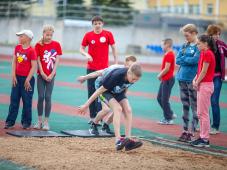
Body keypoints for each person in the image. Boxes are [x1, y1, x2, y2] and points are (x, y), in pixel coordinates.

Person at [78, 63, 143, 151]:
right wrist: (86, 105)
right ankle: (118, 140)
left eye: (137, 80)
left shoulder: (132, 77)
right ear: (129, 72)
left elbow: (125, 87)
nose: (134, 81)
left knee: (128, 110)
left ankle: (128, 141)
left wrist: (123, 99)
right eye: (133, 79)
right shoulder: (116, 76)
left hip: (117, 90)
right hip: (104, 90)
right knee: (118, 109)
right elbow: (100, 90)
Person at [78, 56, 137, 135]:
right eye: (129, 66)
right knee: (106, 109)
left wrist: (122, 100)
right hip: (102, 87)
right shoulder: (116, 69)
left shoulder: (133, 75)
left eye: (132, 67)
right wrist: (85, 77)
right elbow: (98, 73)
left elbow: (125, 87)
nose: (131, 69)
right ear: (125, 64)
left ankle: (106, 125)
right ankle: (94, 123)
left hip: (115, 90)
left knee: (120, 108)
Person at [80, 16, 117, 122]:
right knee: (91, 92)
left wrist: (115, 62)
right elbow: (81, 49)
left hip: (104, 70)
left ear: (102, 24)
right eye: (95, 23)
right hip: (91, 68)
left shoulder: (108, 34)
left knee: (101, 93)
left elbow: (114, 47)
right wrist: (86, 54)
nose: (97, 25)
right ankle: (92, 117)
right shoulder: (88, 35)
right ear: (93, 25)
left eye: (99, 23)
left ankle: (99, 116)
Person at [5, 30, 37, 129]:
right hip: (17, 79)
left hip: (28, 80)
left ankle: (26, 122)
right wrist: (13, 75)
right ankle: (10, 121)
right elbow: (14, 62)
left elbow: (33, 66)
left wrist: (28, 79)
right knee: (14, 100)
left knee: (27, 101)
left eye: (21, 36)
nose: (19, 38)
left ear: (28, 38)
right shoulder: (17, 48)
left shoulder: (31, 50)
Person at [34, 25, 62, 131]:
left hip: (51, 76)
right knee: (41, 97)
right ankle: (39, 121)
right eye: (47, 34)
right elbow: (38, 60)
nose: (49, 37)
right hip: (41, 75)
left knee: (48, 97)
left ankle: (46, 122)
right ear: (43, 34)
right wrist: (42, 73)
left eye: (51, 35)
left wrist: (52, 74)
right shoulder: (38, 45)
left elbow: (57, 61)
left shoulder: (57, 45)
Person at [191, 34, 216, 147]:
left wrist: (197, 81)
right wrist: (195, 79)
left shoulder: (207, 53)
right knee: (201, 113)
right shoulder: (203, 53)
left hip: (206, 85)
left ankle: (205, 139)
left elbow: (204, 71)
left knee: (203, 113)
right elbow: (200, 69)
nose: (197, 45)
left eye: (199, 43)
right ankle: (202, 137)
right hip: (203, 85)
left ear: (205, 43)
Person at [176, 24, 200, 142]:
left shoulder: (198, 46)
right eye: (184, 35)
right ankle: (185, 131)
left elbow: (195, 60)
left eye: (187, 35)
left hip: (192, 80)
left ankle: (192, 132)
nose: (186, 38)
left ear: (194, 33)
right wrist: (187, 59)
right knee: (185, 106)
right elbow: (177, 60)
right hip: (181, 79)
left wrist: (184, 59)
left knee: (194, 106)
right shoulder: (184, 45)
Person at [206, 24, 227, 135]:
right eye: (215, 34)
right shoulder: (204, 45)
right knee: (204, 102)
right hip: (205, 78)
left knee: (214, 101)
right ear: (210, 34)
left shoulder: (222, 45)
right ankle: (206, 125)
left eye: (219, 34)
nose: (217, 36)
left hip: (217, 77)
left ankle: (215, 126)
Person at [157, 38, 176, 125]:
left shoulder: (169, 54)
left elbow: (167, 68)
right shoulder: (167, 54)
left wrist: (160, 75)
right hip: (165, 79)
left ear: (167, 45)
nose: (161, 46)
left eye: (162, 45)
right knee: (159, 98)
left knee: (164, 99)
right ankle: (170, 114)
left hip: (168, 79)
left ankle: (168, 118)